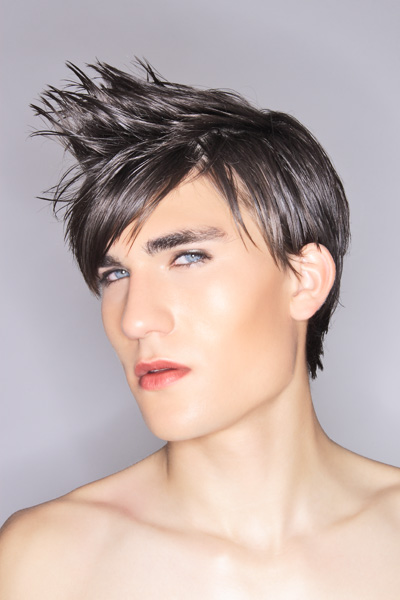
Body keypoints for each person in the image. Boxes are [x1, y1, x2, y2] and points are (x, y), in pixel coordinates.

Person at [1, 60, 399, 598]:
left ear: (305, 280)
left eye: (188, 257)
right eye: (115, 274)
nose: (136, 319)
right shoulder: (47, 562)